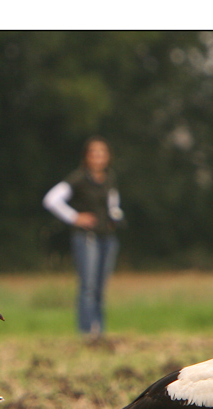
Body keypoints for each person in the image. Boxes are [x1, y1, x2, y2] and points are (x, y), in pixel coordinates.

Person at [42, 136, 124, 339]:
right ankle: (86, 332)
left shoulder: (109, 177)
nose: (99, 157)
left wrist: (115, 216)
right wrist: (74, 217)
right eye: (94, 153)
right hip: (87, 237)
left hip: (107, 237)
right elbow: (52, 199)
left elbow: (113, 201)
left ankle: (99, 330)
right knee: (88, 286)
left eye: (102, 153)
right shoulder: (78, 178)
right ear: (87, 157)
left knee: (100, 287)